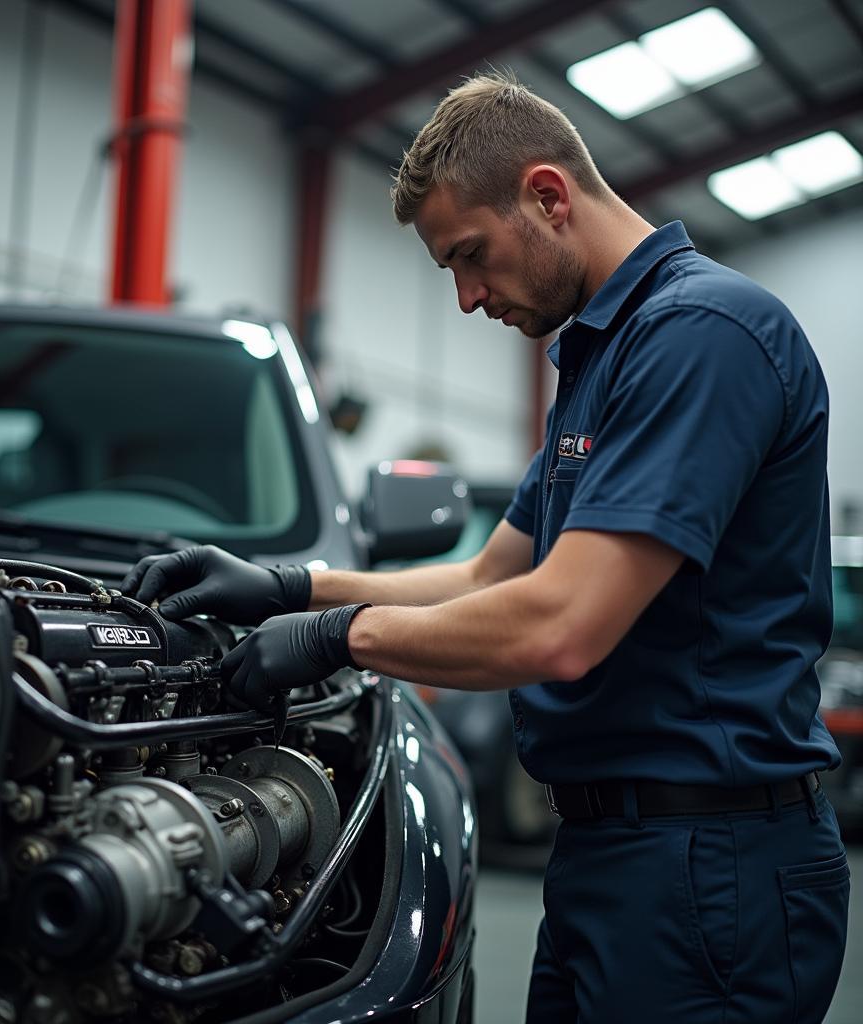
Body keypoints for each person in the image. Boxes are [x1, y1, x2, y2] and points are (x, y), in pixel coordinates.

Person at [123, 72, 850, 1023]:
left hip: (708, 864)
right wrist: (285, 585)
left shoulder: (700, 335)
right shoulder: (604, 356)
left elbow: (563, 626)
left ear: (548, 197)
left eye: (471, 256)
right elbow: (485, 575)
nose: (467, 298)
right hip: (615, 855)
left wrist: (337, 636)